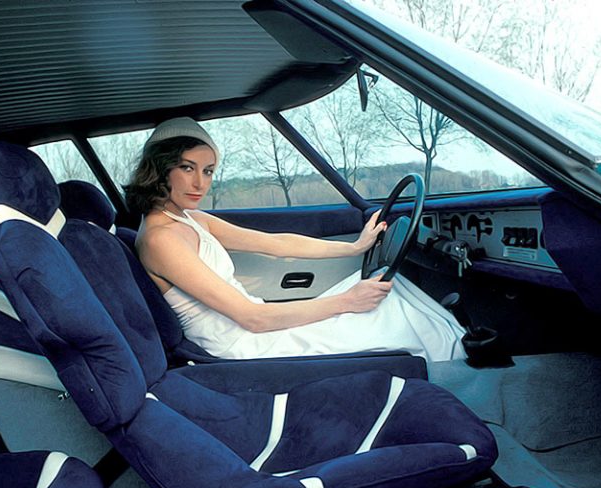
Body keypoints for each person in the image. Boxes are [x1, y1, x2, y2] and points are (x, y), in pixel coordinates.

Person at [125, 117, 466, 363]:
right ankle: (460, 369)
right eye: (187, 168)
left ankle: (458, 350)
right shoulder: (161, 240)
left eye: (208, 170)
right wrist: (347, 301)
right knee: (394, 312)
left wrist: (355, 247)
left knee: (392, 291)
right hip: (247, 344)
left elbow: (277, 244)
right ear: (161, 168)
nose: (200, 183)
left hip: (259, 326)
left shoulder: (190, 219)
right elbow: (252, 318)